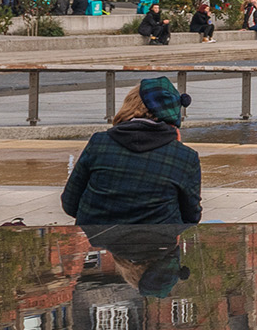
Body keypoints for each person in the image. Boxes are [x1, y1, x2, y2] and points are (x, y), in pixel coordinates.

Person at [60, 76, 203, 225]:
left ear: (130, 104)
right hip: (157, 246)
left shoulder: (99, 143)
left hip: (98, 242)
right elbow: (192, 217)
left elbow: (70, 203)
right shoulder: (185, 157)